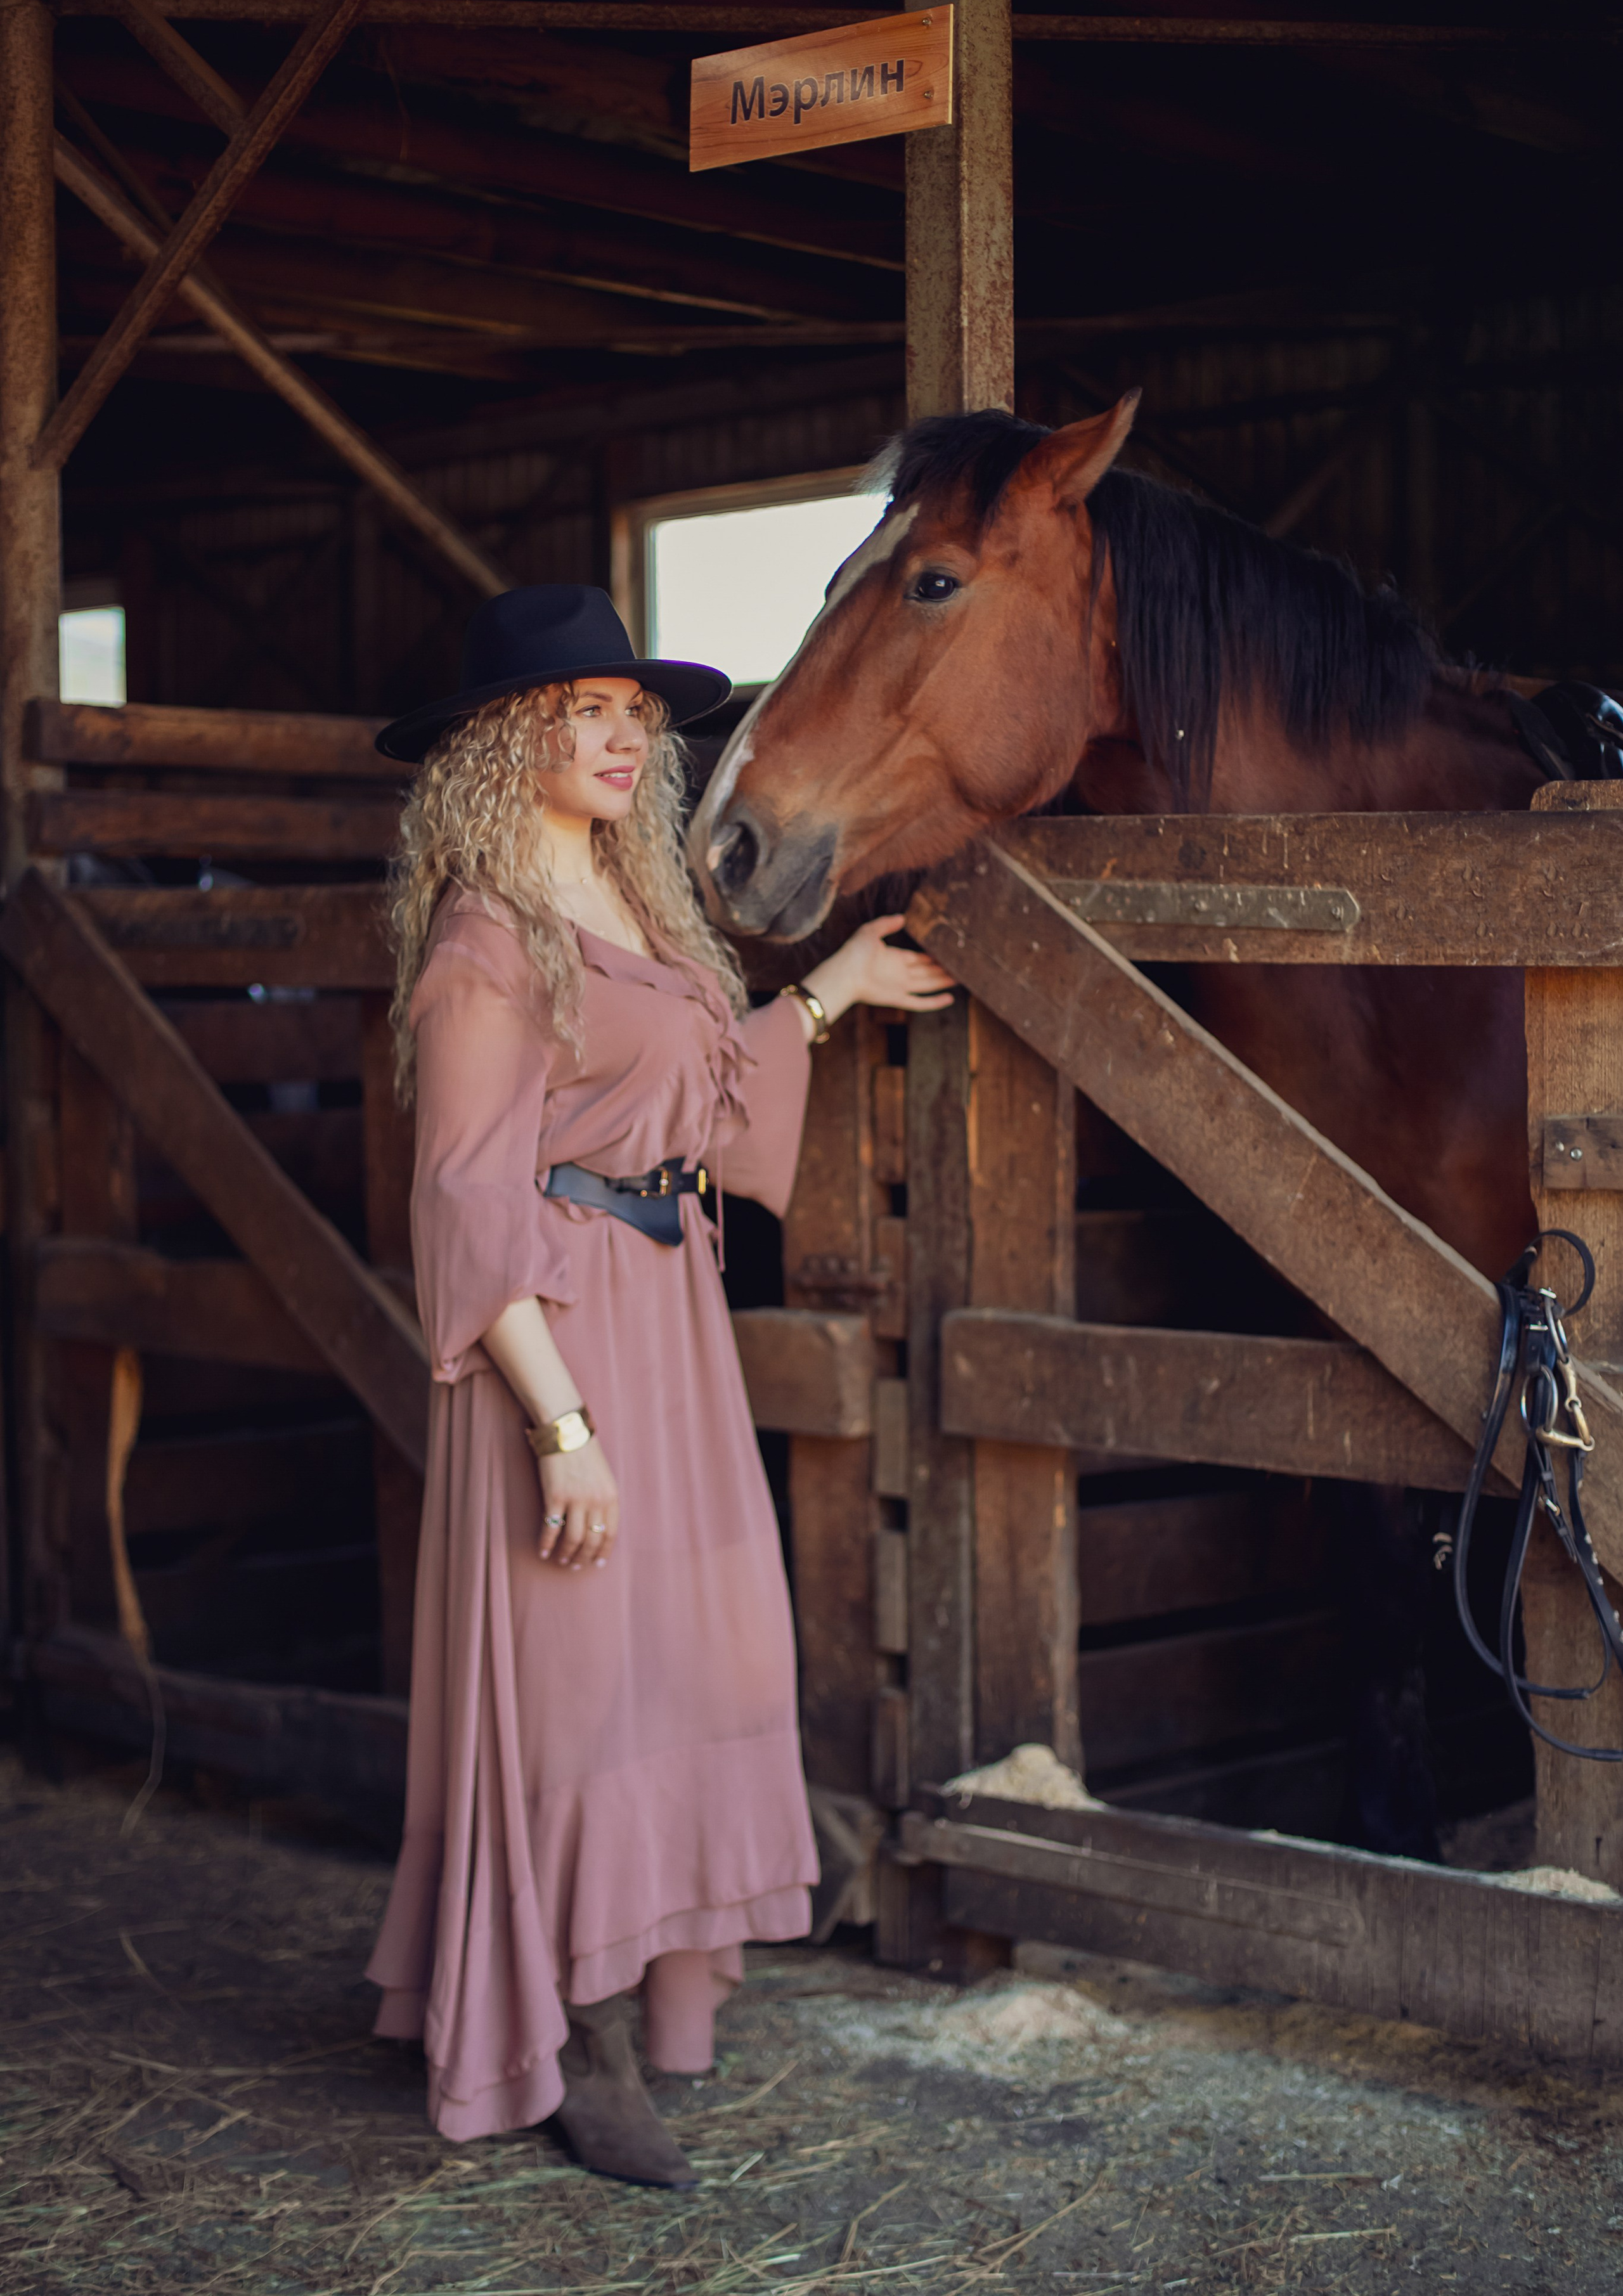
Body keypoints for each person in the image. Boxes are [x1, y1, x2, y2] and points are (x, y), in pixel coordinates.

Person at [365, 585, 952, 2184]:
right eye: (585, 710)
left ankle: (643, 1982)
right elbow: (468, 1201)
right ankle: (571, 2029)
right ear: (504, 740)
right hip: (559, 1336)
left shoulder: (639, 904)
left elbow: (689, 1103)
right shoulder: (489, 938)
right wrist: (559, 1429)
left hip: (671, 1311)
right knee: (575, 1686)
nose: (625, 737)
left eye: (636, 711)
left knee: (704, 1656)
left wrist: (824, 994)